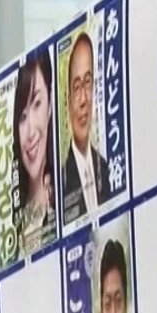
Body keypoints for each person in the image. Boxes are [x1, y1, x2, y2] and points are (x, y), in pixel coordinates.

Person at [10, 51, 58, 255]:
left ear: (49, 105)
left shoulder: (65, 192)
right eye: (22, 117)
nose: (30, 132)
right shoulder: (11, 224)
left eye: (37, 104)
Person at [60, 32, 110, 225]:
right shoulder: (60, 186)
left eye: (88, 83)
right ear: (68, 100)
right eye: (76, 86)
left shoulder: (105, 169)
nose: (83, 100)